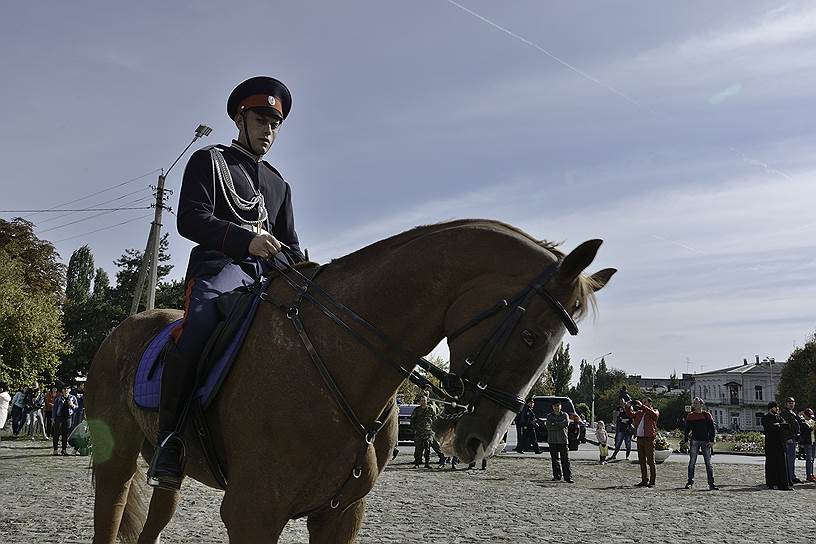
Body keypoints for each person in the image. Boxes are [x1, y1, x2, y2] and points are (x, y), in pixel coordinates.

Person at [147, 76, 306, 490]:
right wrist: (246, 240)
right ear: (241, 117)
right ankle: (171, 440)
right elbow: (190, 219)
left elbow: (291, 243)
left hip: (268, 276)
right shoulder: (210, 160)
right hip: (220, 269)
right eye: (261, 119)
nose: (268, 129)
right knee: (196, 328)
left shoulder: (278, 183)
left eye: (275, 122)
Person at [682, 397, 718, 490]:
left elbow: (712, 429)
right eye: (694, 403)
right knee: (692, 462)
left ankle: (711, 483)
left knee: (708, 463)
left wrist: (712, 440)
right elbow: (687, 430)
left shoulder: (707, 415)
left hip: (706, 441)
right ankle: (690, 482)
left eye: (697, 403)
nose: (695, 405)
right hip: (695, 441)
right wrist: (685, 441)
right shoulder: (690, 415)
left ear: (701, 404)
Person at [626, 397, 660, 487]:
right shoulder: (640, 413)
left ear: (650, 403)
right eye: (642, 402)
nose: (643, 403)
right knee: (642, 461)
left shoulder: (655, 411)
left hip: (649, 439)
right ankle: (644, 480)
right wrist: (628, 406)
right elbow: (630, 415)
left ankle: (652, 481)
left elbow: (655, 416)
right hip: (640, 439)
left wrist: (642, 407)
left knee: (650, 461)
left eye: (645, 402)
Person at [761, 401, 791, 490]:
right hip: (771, 445)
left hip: (780, 444)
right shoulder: (765, 418)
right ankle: (771, 483)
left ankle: (782, 484)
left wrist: (778, 425)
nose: (777, 409)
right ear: (771, 408)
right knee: (771, 464)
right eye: (775, 407)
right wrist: (777, 426)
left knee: (782, 464)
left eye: (777, 407)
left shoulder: (779, 417)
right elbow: (770, 427)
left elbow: (787, 426)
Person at [545, 400, 573, 483]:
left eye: (558, 405)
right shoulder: (549, 416)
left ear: (560, 406)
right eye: (555, 406)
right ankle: (557, 476)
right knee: (555, 459)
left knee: (565, 459)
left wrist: (555, 424)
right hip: (552, 440)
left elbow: (566, 423)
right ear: (553, 407)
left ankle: (568, 477)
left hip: (563, 440)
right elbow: (548, 427)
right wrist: (559, 424)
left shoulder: (565, 415)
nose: (557, 407)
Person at [779, 396, 803, 484]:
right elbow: (785, 427)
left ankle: (792, 475)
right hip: (788, 438)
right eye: (789, 402)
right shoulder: (784, 413)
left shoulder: (793, 412)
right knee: (789, 459)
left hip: (793, 438)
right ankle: (789, 477)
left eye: (793, 402)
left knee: (792, 459)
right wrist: (788, 437)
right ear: (786, 404)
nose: (791, 404)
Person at [411, 396, 438, 468]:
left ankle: (427, 464)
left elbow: (435, 420)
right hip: (419, 432)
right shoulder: (416, 410)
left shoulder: (431, 409)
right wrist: (414, 429)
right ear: (420, 401)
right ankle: (417, 464)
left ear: (427, 401)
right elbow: (412, 420)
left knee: (427, 449)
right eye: (421, 400)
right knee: (418, 449)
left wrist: (433, 430)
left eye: (424, 400)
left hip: (428, 432)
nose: (423, 402)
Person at [52, 385, 78, 456]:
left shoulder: (73, 398)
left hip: (68, 417)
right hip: (59, 417)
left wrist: (72, 405)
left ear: (69, 390)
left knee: (65, 434)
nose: (66, 390)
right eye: (64, 389)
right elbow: (55, 408)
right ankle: (55, 450)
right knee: (56, 433)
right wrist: (53, 418)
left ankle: (64, 450)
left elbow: (77, 407)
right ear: (62, 390)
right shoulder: (59, 398)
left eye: (67, 389)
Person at [800, 408, 815, 482]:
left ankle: (811, 474)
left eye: (811, 415)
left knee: (812, 460)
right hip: (807, 443)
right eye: (808, 415)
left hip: (814, 442)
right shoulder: (803, 422)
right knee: (809, 459)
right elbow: (804, 433)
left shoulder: (813, 421)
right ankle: (809, 475)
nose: (810, 417)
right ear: (805, 415)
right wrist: (812, 428)